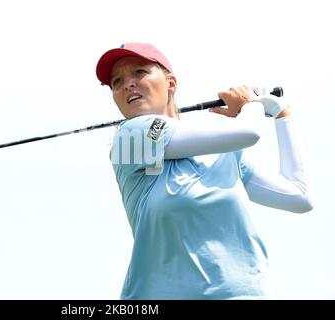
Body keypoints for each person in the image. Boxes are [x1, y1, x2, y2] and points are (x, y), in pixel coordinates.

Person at [95, 42, 313, 300]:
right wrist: (250, 104)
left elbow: (299, 197)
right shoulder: (128, 139)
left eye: (140, 72)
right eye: (117, 81)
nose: (127, 84)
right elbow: (248, 131)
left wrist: (281, 113)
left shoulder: (225, 151)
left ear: (171, 84)